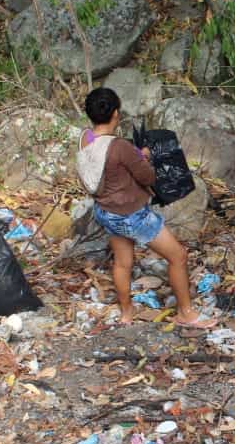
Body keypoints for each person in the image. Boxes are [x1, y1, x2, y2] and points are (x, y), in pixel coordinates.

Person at [77, 87, 216, 329]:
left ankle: (127, 312)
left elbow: (105, 170)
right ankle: (186, 312)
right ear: (116, 114)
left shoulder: (85, 138)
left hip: (106, 212)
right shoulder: (120, 147)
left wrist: (133, 157)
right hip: (131, 215)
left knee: (123, 262)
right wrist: (143, 157)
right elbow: (148, 177)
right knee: (178, 256)